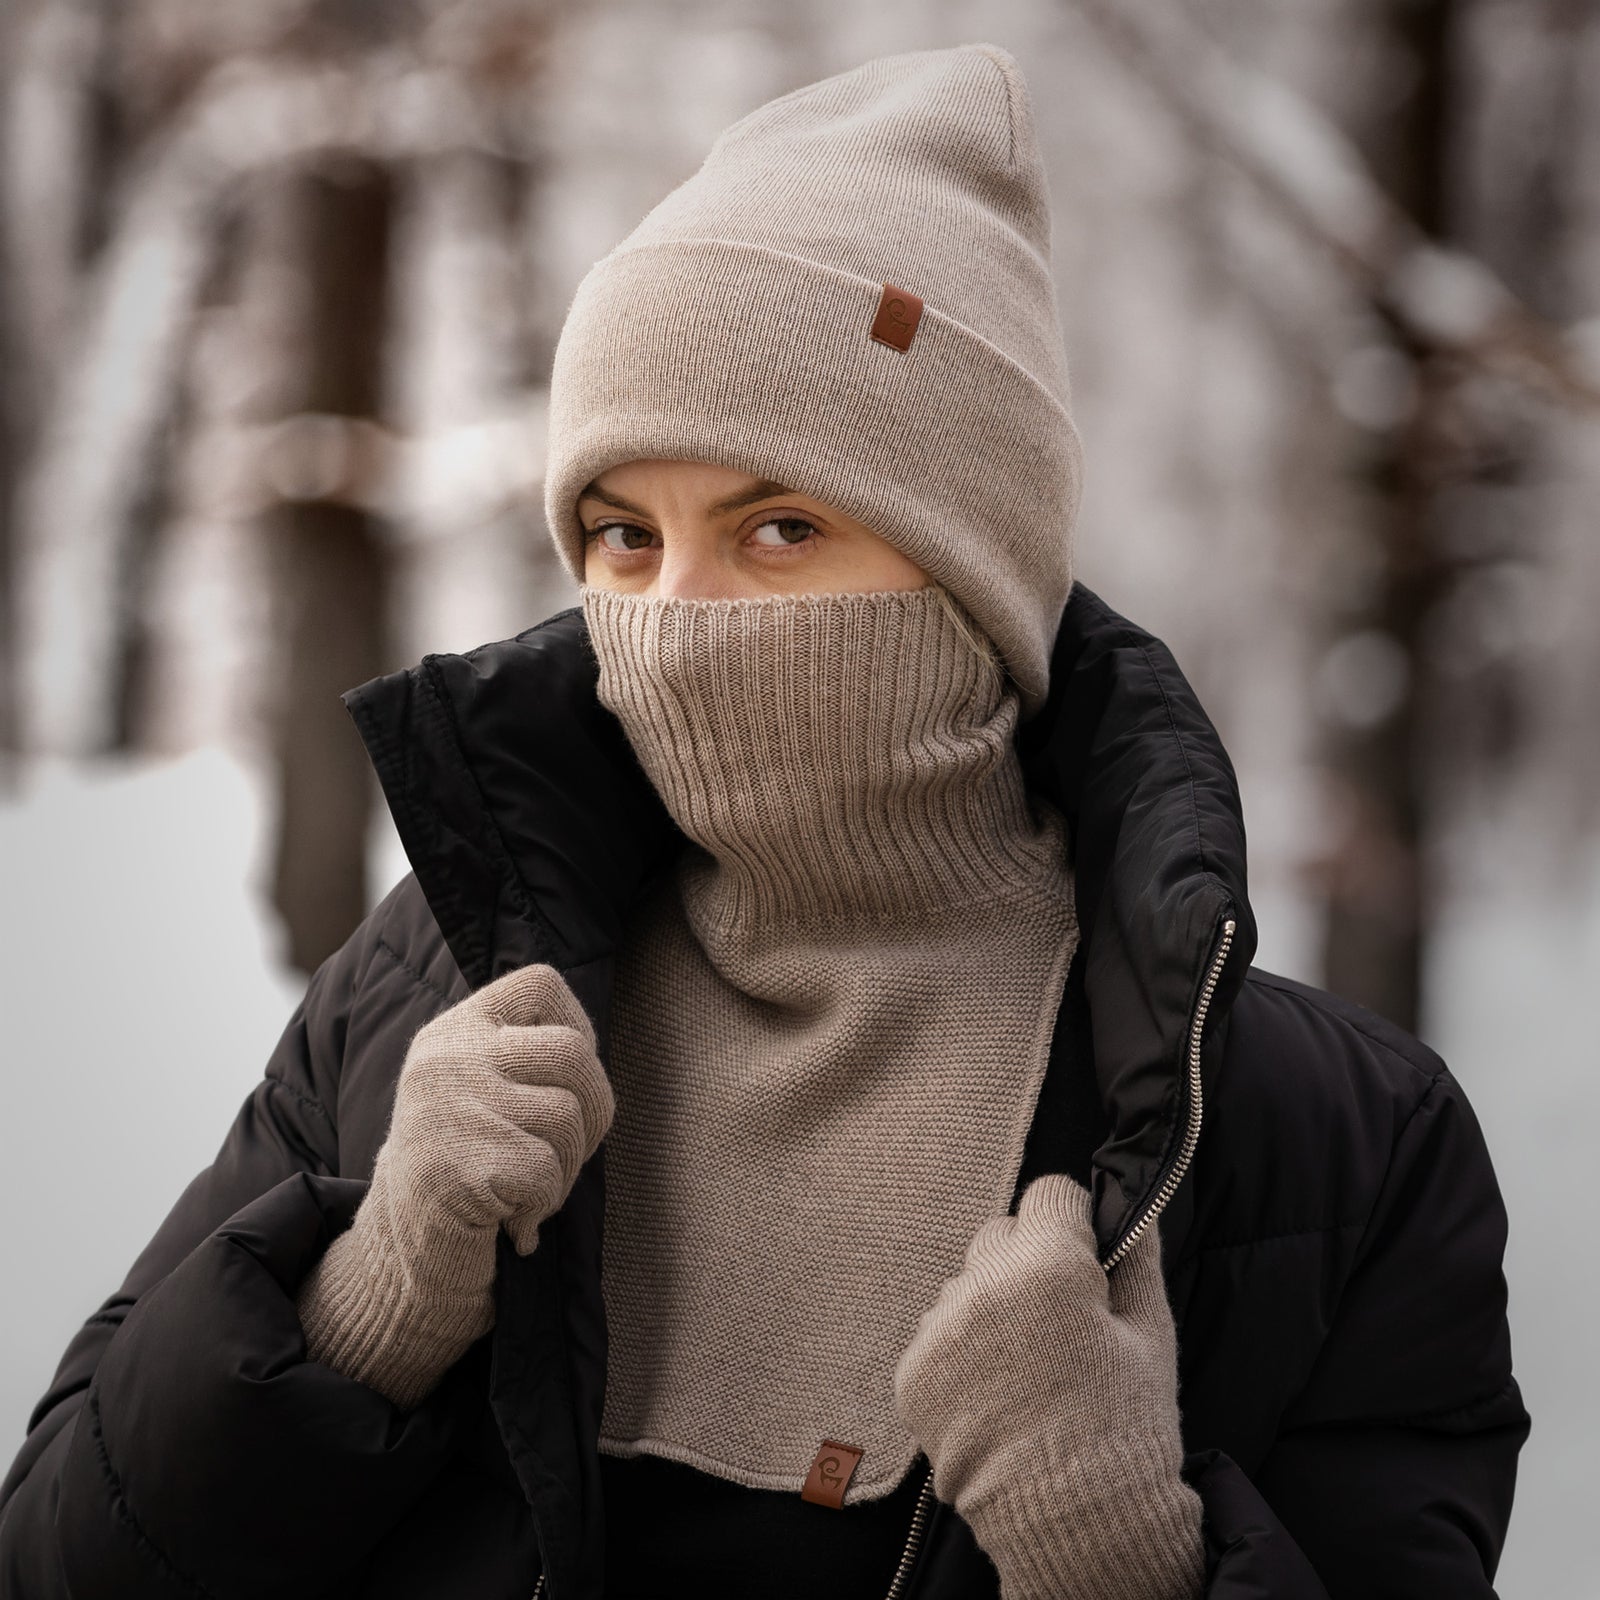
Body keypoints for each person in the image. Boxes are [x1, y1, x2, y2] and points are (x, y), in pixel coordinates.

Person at [0, 42, 1527, 1600]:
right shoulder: (427, 996)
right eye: (622, 537)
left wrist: (1117, 1552)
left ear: (978, 572)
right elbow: (60, 1557)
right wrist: (367, 1306)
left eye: (780, 528)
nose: (675, 620)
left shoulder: (1331, 1140)